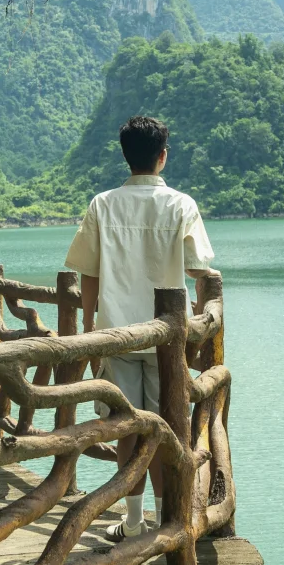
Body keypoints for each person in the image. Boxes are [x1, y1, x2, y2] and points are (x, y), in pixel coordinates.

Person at [63, 114, 215, 542]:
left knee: (125, 427)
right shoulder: (181, 205)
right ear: (162, 157)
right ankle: (169, 518)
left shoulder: (102, 204)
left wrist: (92, 330)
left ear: (125, 155)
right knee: (169, 427)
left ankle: (133, 521)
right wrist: (201, 326)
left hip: (117, 334)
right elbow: (200, 270)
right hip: (168, 341)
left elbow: (88, 274)